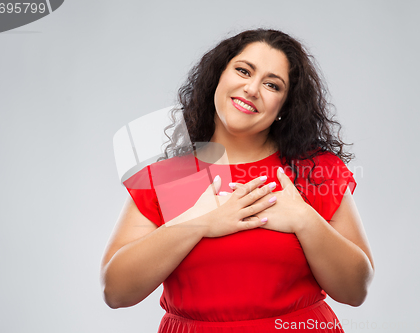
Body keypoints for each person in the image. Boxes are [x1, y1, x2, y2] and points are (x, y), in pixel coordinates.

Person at [101, 28, 374, 332]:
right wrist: (197, 222)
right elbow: (115, 292)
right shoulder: (165, 179)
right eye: (243, 71)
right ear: (218, 76)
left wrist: (305, 220)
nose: (252, 88)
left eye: (272, 85)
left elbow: (355, 291)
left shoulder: (314, 171)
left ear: (285, 106)